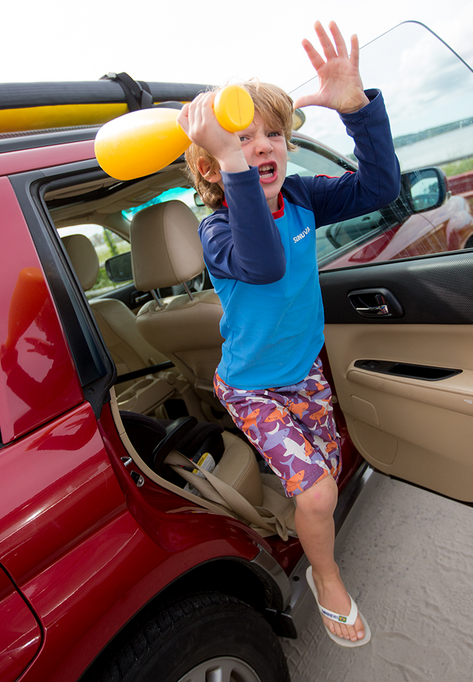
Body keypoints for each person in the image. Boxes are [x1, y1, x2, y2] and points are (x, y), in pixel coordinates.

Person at [177, 20, 400, 646]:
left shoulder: (300, 197)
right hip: (250, 388)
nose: (261, 146)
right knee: (320, 493)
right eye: (240, 140)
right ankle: (327, 578)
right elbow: (265, 264)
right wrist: (234, 166)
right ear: (213, 168)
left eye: (272, 133)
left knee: (327, 475)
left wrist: (357, 110)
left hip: (305, 373)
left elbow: (381, 187)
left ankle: (309, 514)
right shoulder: (217, 232)